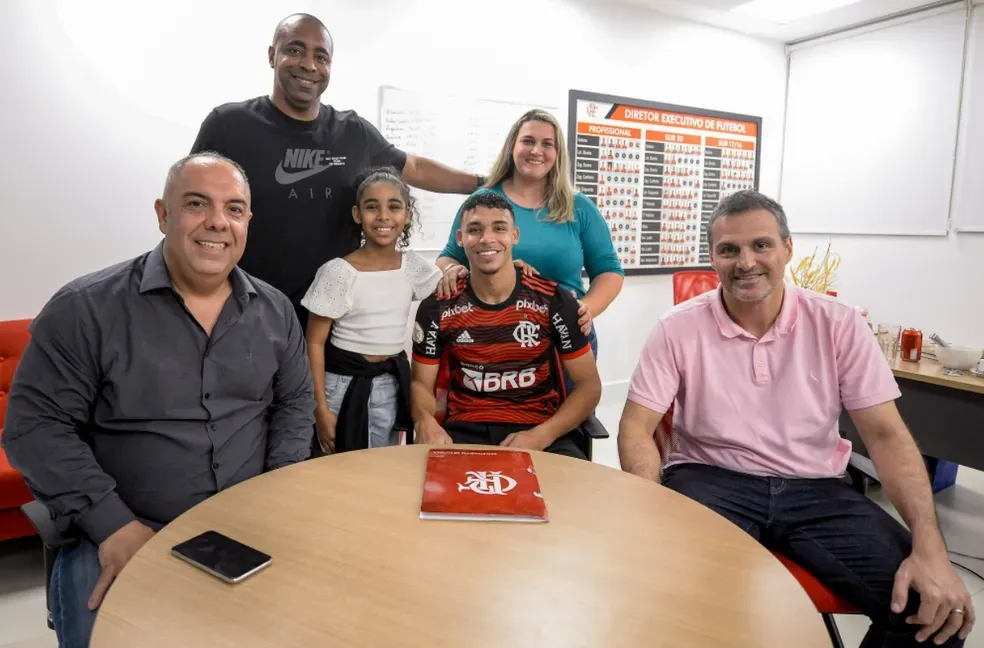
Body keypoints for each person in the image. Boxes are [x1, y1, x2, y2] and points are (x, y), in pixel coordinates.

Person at [617, 190, 975, 647]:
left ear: (788, 248)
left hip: (817, 489)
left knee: (934, 616)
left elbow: (886, 436)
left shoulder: (840, 323)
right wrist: (651, 508)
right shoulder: (677, 327)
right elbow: (636, 426)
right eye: (729, 249)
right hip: (710, 479)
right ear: (713, 258)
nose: (746, 261)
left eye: (761, 245)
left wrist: (931, 549)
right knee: (677, 605)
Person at [2, 152, 316, 648]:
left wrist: (275, 497)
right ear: (162, 214)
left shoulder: (275, 310)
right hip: (121, 525)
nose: (217, 221)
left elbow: (295, 403)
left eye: (234, 209)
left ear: (248, 222)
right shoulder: (85, 309)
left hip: (248, 521)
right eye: (197, 203)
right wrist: (114, 526)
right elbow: (35, 428)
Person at [190, 13, 483, 327]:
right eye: (295, 50)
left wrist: (484, 183)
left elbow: (413, 167)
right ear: (272, 55)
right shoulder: (230, 125)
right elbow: (190, 206)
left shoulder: (353, 131)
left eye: (321, 56)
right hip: (248, 317)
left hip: (333, 323)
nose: (309, 65)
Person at [411, 191, 602, 459]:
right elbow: (421, 383)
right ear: (460, 238)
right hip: (466, 431)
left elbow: (588, 386)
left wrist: (541, 435)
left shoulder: (554, 301)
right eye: (475, 229)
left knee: (573, 498)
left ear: (514, 236)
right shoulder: (437, 307)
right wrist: (424, 420)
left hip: (541, 431)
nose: (487, 239)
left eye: (499, 228)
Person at [434, 109, 624, 372]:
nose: (536, 150)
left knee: (574, 411)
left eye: (547, 144)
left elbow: (609, 270)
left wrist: (585, 309)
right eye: (528, 141)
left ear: (557, 154)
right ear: (513, 145)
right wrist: (453, 270)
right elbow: (448, 256)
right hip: (493, 336)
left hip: (564, 338)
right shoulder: (482, 201)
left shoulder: (578, 207)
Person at [301, 167, 441, 454]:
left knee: (382, 467)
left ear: (407, 215)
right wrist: (320, 409)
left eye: (394, 206)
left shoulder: (412, 267)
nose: (383, 217)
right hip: (341, 387)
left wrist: (509, 268)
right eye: (372, 207)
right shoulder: (338, 271)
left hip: (391, 386)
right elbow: (314, 342)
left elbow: (452, 284)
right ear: (357, 214)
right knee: (340, 469)